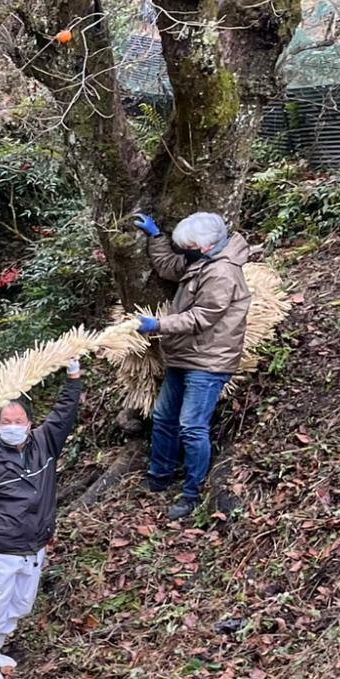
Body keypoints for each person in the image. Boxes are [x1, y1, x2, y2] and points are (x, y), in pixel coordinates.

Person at [0, 361, 83, 679]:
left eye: (18, 420)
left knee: (20, 605)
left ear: (29, 423)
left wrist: (73, 377)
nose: (12, 426)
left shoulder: (45, 443)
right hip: (1, 549)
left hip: (35, 546)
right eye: (6, 422)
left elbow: (65, 412)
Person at [130, 209, 252, 520]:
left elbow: (202, 317)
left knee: (191, 427)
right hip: (186, 355)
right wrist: (157, 237)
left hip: (209, 361)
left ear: (206, 246)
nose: (186, 252)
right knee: (163, 417)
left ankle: (191, 494)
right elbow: (170, 267)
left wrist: (157, 325)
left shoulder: (223, 273)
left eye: (189, 247)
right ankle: (159, 477)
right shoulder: (203, 259)